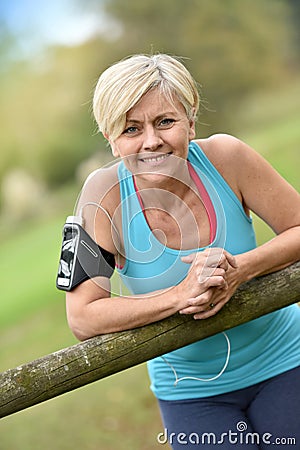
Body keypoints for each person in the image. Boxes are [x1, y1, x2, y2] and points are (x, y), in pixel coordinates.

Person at [65, 54, 300, 449]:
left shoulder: (227, 157)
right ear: (111, 137)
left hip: (286, 361)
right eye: (131, 128)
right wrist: (179, 294)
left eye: (165, 122)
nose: (151, 140)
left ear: (190, 121)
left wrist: (239, 269)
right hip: (190, 395)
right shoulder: (99, 197)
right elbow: (83, 318)